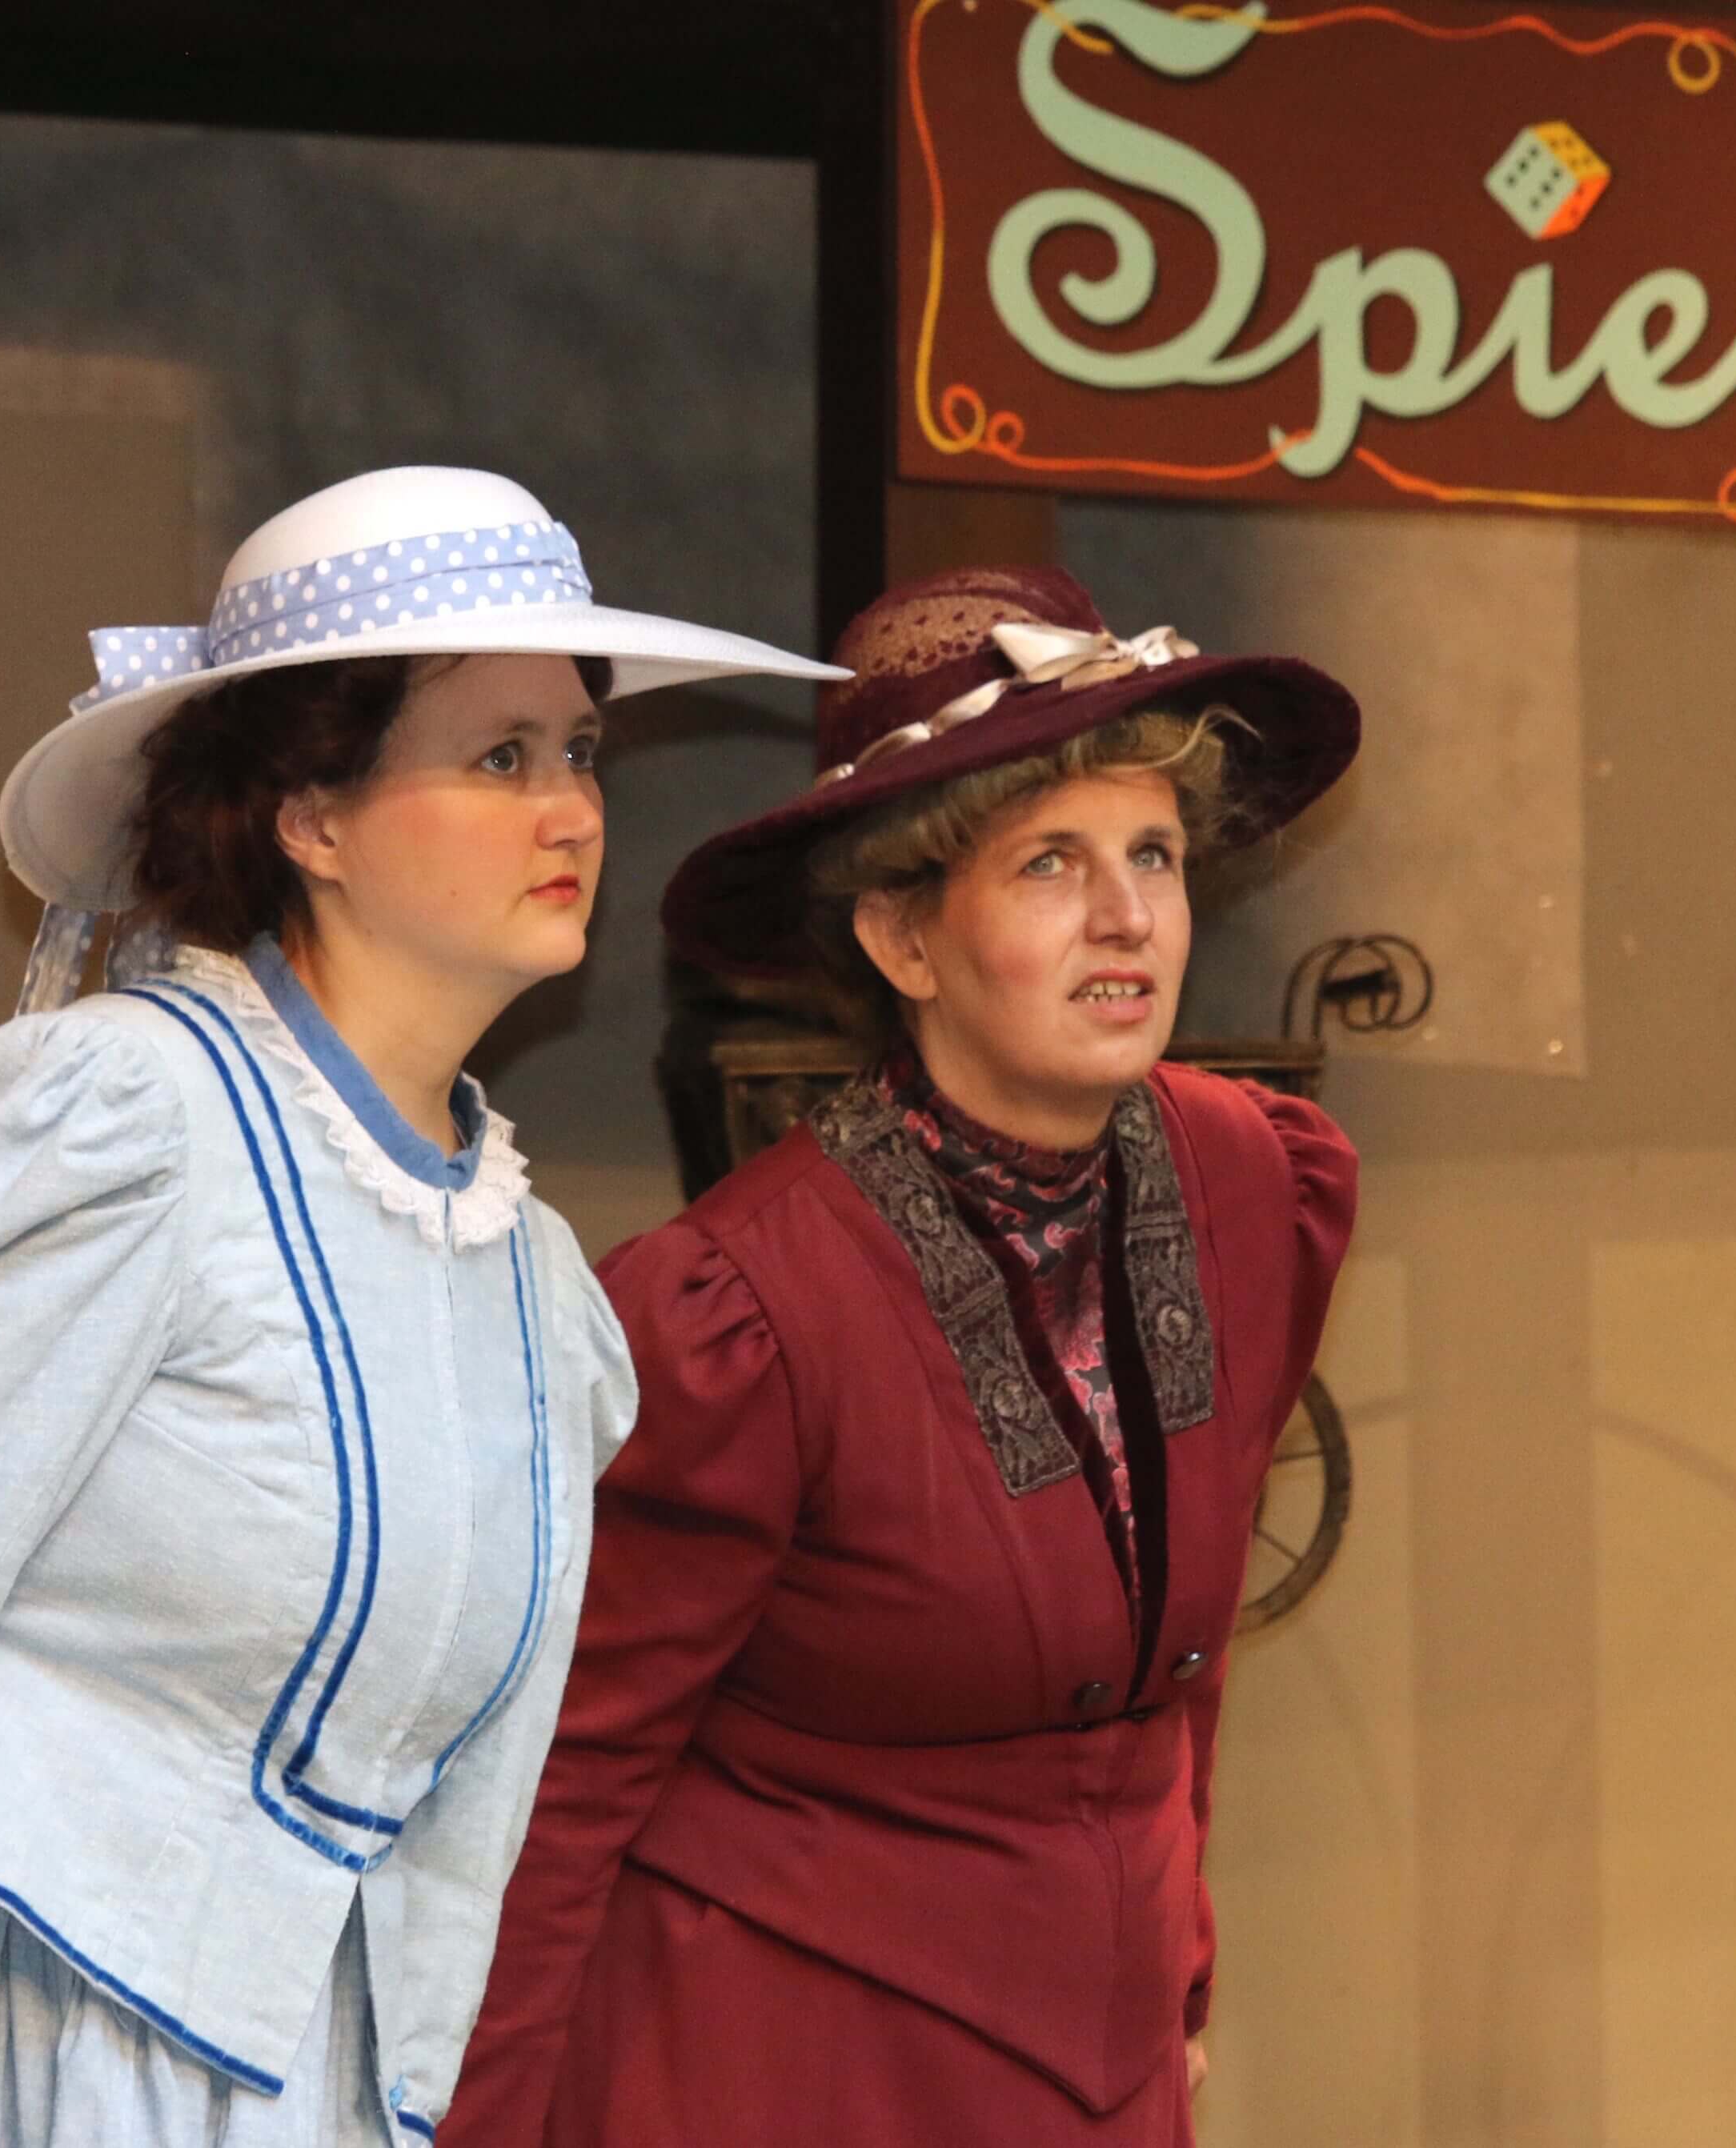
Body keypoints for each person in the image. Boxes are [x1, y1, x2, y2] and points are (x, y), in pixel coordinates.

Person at [0, 465, 840, 2148]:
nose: (573, 811)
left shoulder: (538, 1290)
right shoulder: (123, 1117)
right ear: (311, 817)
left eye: (580, 753)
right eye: (501, 757)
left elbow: (466, 1822)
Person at [446, 565, 1362, 2146]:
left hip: (1099, 2071)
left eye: (1151, 852)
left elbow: (1180, 1678)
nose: (1127, 916)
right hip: (775, 2064)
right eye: (1050, 863)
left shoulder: (1257, 1185)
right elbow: (564, 1787)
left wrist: (1178, 1980)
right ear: (904, 938)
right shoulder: (739, 1312)